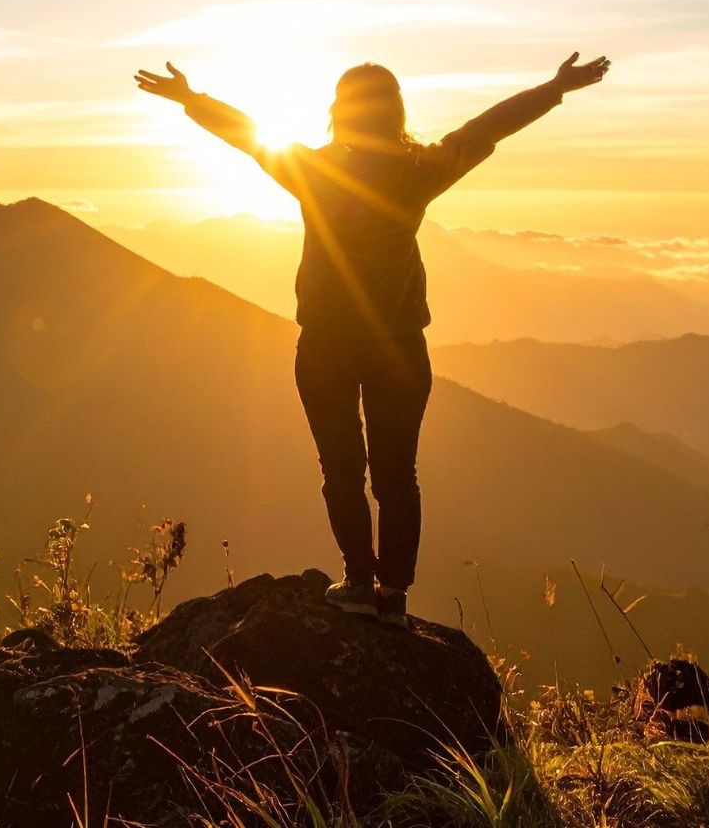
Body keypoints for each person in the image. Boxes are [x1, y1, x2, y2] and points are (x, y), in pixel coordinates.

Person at [135, 53, 611, 623]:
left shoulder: (313, 170)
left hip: (326, 346)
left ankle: (359, 582)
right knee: (396, 476)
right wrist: (553, 88)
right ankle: (393, 597)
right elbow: (488, 128)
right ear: (396, 112)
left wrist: (193, 100)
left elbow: (248, 136)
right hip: (399, 348)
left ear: (339, 113)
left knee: (341, 471)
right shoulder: (418, 170)